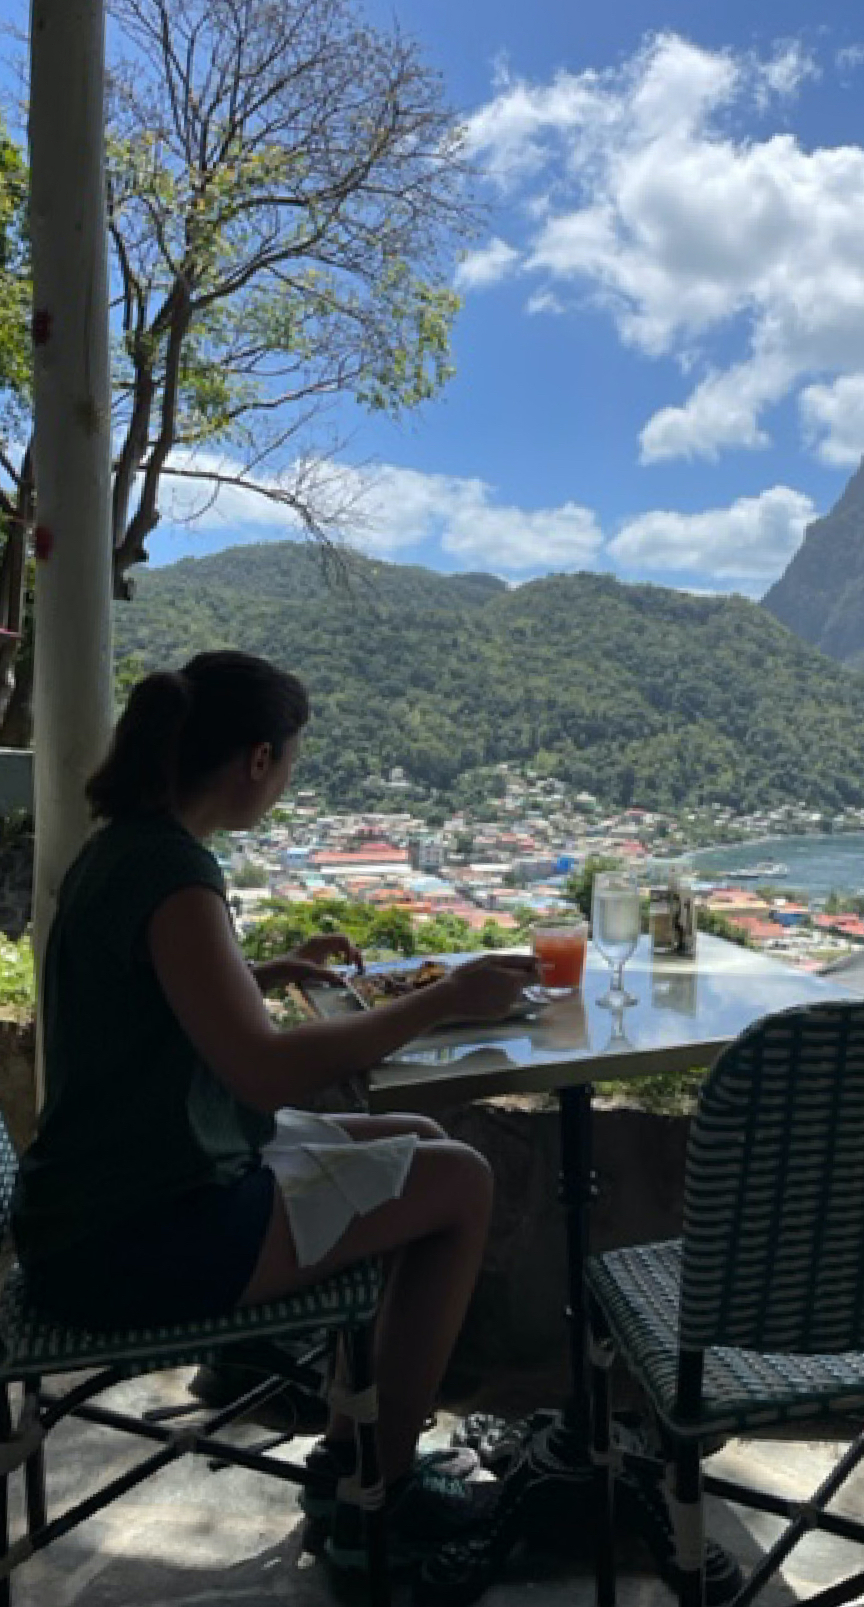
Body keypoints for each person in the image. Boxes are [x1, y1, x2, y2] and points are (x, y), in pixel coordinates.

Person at [12, 650, 538, 1573]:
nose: (288, 779)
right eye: (289, 761)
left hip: (90, 1208)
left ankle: (351, 1458)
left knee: (422, 1140)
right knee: (461, 1182)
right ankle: (383, 1488)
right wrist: (443, 998)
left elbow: (155, 1001)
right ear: (257, 760)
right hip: (135, 1238)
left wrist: (263, 973)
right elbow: (261, 1074)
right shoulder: (177, 874)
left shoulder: (129, 848)